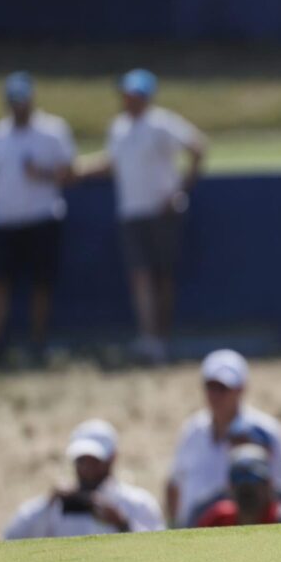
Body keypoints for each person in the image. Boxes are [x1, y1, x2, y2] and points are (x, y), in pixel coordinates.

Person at [79, 69, 206, 364]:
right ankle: (148, 338)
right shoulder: (119, 127)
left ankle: (161, 338)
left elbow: (198, 148)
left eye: (134, 94)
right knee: (140, 275)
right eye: (126, 93)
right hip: (131, 212)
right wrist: (78, 170)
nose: (128, 99)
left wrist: (179, 191)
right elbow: (112, 163)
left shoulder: (162, 123)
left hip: (162, 213)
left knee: (163, 277)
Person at [0, 72, 76, 367]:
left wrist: (42, 174)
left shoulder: (53, 131)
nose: (18, 106)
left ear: (32, 99)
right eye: (13, 101)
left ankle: (38, 343)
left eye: (22, 100)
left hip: (41, 219)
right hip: (3, 222)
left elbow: (69, 173)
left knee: (41, 284)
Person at [167, 349, 281, 527]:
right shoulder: (192, 430)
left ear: (241, 389)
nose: (216, 395)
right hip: (196, 532)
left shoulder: (264, 431)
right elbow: (174, 484)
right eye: (210, 387)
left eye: (223, 388)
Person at [4, 419, 163, 539]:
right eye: (81, 460)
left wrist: (122, 524)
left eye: (94, 460)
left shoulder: (137, 504)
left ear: (112, 458)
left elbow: (161, 552)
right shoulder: (60, 506)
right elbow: (12, 536)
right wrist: (48, 503)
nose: (87, 468)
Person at [195, 445, 281, 527]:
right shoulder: (217, 520)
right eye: (238, 478)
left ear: (268, 485)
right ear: (230, 486)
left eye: (254, 479)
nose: (246, 486)